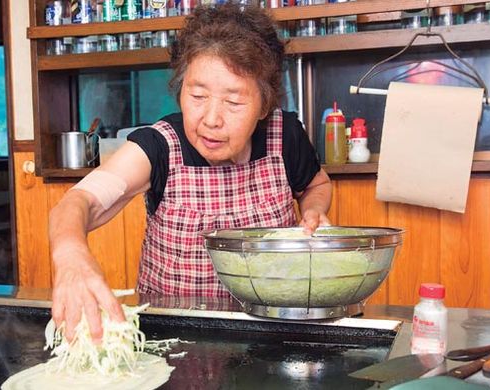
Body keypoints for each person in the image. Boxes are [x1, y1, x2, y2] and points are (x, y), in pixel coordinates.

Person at [49, 2, 332, 341]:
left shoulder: (284, 136)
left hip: (272, 332)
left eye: (233, 102)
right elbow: (80, 201)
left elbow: (317, 184)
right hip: (174, 341)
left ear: (264, 105)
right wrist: (71, 256)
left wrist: (314, 210)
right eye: (197, 95)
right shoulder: (157, 147)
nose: (211, 119)